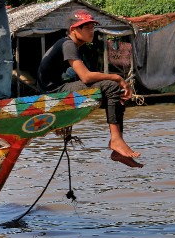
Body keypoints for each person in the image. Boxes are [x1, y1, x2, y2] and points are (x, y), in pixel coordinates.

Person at [37, 9, 143, 168]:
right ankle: (116, 140)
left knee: (115, 93)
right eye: (86, 27)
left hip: (58, 87)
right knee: (111, 85)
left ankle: (118, 145)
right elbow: (85, 77)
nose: (91, 31)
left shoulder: (72, 45)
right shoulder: (68, 44)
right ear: (74, 29)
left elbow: (79, 77)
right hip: (54, 92)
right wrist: (118, 77)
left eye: (92, 27)